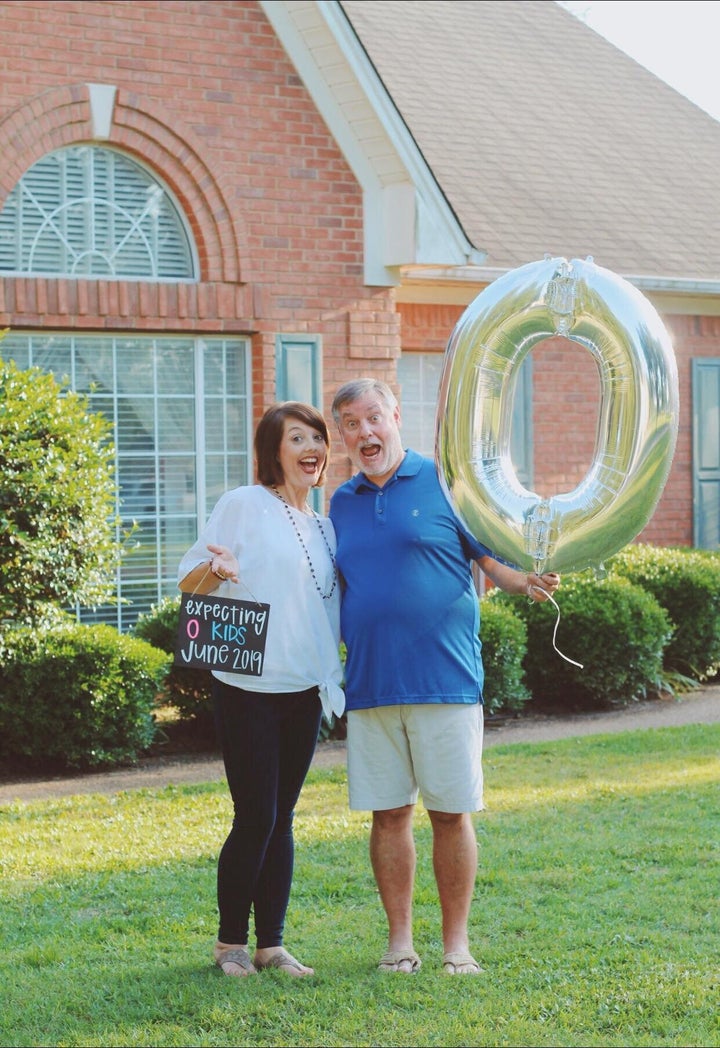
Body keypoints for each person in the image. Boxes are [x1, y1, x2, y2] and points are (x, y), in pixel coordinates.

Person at [329, 378, 559, 976]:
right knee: (387, 815)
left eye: (373, 417)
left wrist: (524, 579)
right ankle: (399, 943)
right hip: (372, 685)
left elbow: (490, 560)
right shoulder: (340, 502)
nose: (364, 433)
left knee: (451, 813)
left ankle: (456, 946)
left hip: (445, 678)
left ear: (396, 415)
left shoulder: (444, 484)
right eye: (350, 424)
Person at [178, 401, 344, 979]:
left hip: (304, 689)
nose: (310, 447)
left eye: (317, 437)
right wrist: (217, 571)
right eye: (296, 437)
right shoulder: (244, 504)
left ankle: (271, 944)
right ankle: (229, 946)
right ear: (274, 451)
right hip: (247, 686)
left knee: (285, 817)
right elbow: (191, 580)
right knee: (256, 816)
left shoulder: (323, 525)